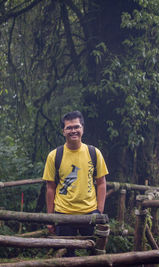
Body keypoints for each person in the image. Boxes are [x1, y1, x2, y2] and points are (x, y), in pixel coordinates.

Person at [42, 110, 109, 257]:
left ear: (82, 129)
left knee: (94, 254)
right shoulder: (54, 155)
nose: (73, 131)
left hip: (90, 212)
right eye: (69, 128)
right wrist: (50, 218)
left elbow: (101, 183)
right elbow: (50, 188)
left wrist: (99, 211)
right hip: (63, 213)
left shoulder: (94, 152)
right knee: (66, 256)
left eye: (76, 127)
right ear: (63, 131)